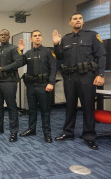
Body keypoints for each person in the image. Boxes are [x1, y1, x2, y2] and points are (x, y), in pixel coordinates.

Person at [53, 12, 106, 150]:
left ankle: (89, 136)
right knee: (69, 106)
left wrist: (100, 74)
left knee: (87, 107)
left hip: (86, 76)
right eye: (75, 19)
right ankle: (68, 132)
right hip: (70, 77)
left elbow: (101, 55)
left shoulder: (92, 35)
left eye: (80, 18)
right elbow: (59, 56)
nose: (78, 20)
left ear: (83, 22)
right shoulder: (65, 39)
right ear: (70, 22)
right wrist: (56, 44)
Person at [18, 30, 57, 143]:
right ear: (31, 39)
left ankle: (47, 133)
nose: (37, 37)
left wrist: (51, 83)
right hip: (31, 86)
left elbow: (53, 68)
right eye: (35, 36)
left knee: (45, 110)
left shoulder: (48, 51)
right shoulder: (28, 53)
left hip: (44, 85)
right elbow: (19, 63)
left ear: (42, 38)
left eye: (39, 35)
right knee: (32, 109)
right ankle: (31, 129)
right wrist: (20, 51)